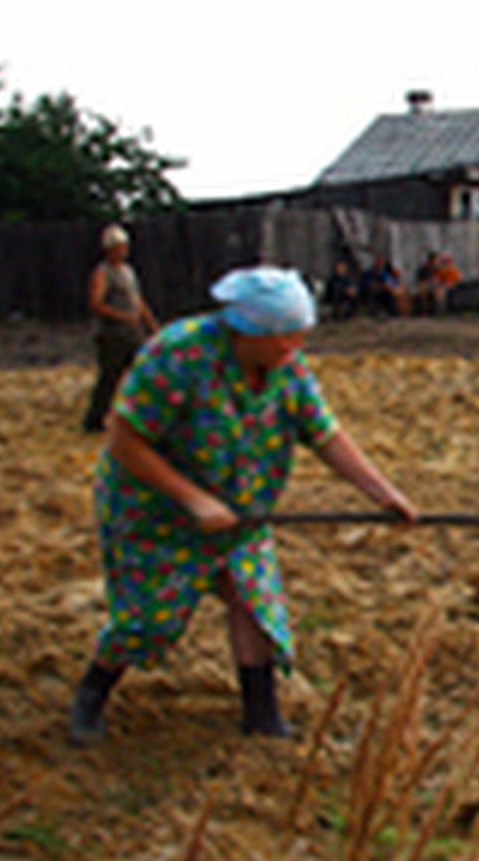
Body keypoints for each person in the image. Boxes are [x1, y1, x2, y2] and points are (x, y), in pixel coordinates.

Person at [68, 266, 417, 746]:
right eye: (285, 340)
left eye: (300, 339)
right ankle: (92, 694)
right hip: (155, 510)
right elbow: (125, 441)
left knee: (251, 598)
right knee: (148, 617)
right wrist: (194, 501)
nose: (295, 351)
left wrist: (382, 492)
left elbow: (324, 432)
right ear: (246, 331)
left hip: (241, 510)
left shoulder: (286, 364)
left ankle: (261, 713)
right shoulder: (179, 354)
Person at [82, 225, 160, 433]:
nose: (123, 250)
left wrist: (151, 324)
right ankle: (94, 419)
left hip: (133, 333)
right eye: (119, 247)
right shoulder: (102, 273)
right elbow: (96, 304)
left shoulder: (127, 271)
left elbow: (137, 301)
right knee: (110, 377)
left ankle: (143, 416)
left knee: (146, 371)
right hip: (113, 334)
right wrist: (122, 316)